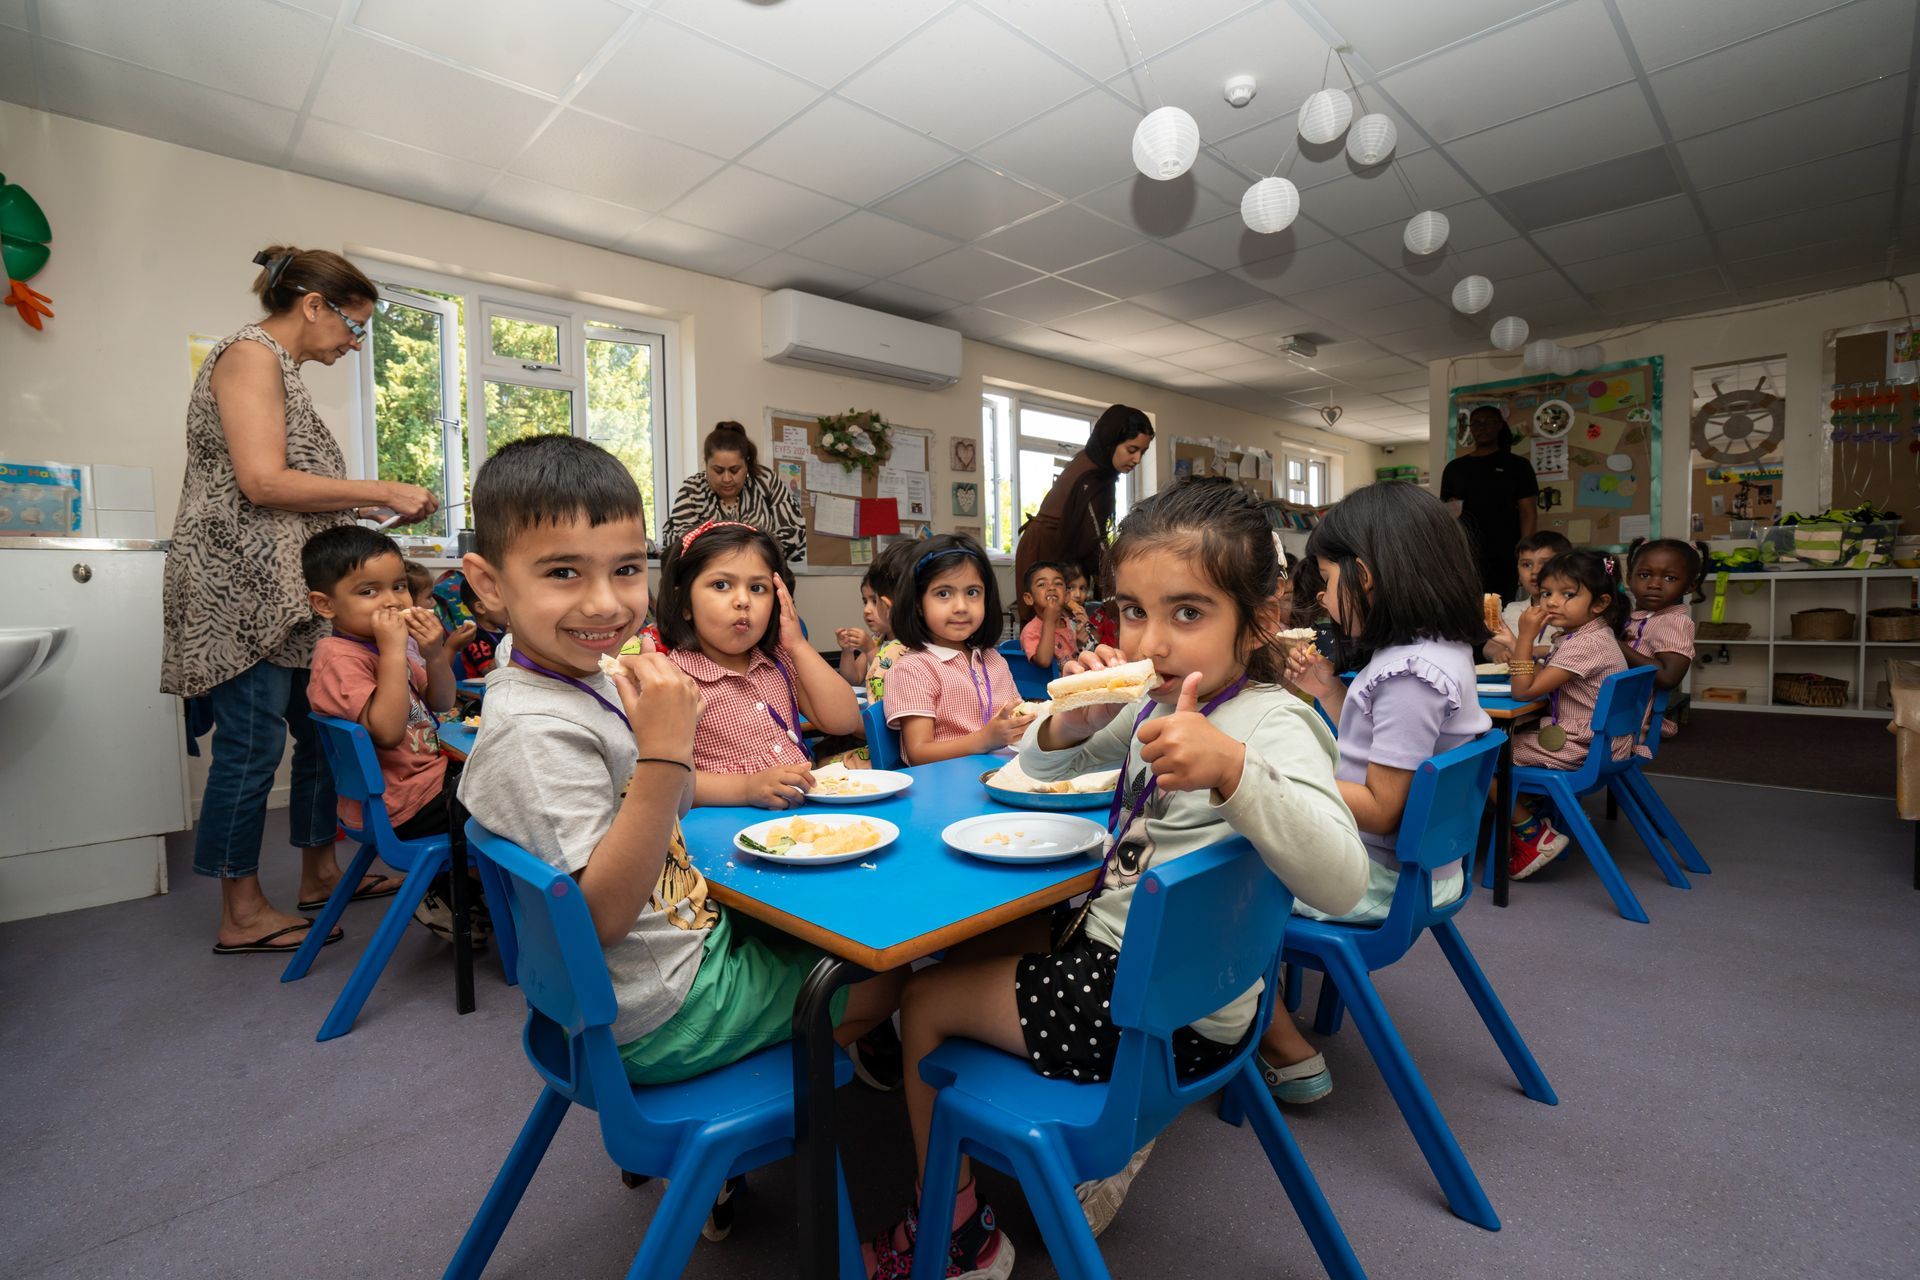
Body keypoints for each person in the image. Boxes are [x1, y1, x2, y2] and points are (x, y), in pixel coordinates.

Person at [862, 478, 1368, 1275]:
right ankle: (1039, 1153)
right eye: (1133, 611)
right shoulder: (1150, 703)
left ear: (1261, 617)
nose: (1149, 644)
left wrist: (1234, 770)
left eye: (1188, 613)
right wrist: (1074, 719)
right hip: (1180, 986)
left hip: (1151, 1011)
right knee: (975, 946)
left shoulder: (1274, 723)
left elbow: (1340, 881)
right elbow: (1034, 764)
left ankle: (959, 1238)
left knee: (922, 998)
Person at [455, 435, 903, 1101]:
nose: (605, 603)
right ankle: (771, 1102)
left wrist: (668, 760)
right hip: (666, 1010)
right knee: (892, 967)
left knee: (844, 926)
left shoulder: (581, 682)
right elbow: (599, 916)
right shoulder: (531, 731)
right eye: (563, 573)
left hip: (673, 955)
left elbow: (675, 799)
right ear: (489, 584)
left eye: (627, 569)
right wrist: (665, 751)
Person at [162, 245, 438, 955]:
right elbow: (263, 482)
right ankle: (241, 908)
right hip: (241, 590)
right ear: (313, 304)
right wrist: (379, 491)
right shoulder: (250, 355)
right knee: (251, 750)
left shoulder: (284, 371)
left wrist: (366, 524)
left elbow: (295, 499)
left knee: (320, 734)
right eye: (354, 325)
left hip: (289, 591)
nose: (354, 343)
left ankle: (320, 872)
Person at [1264, 483, 1491, 1103]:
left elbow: (1383, 805)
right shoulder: (1439, 652)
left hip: (1383, 883)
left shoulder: (1408, 676)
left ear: (1364, 576)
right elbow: (1386, 753)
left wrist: (1270, 782)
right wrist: (1329, 692)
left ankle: (1279, 1043)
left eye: (1328, 580)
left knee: (1224, 876)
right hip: (1427, 872)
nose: (1319, 596)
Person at [303, 526, 483, 945]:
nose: (392, 600)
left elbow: (439, 702)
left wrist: (436, 652)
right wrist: (394, 651)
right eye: (369, 592)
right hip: (405, 804)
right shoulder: (338, 659)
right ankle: (456, 894)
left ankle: (469, 892)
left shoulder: (389, 647)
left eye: (399, 586)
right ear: (324, 605)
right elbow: (385, 731)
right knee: (519, 795)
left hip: (425, 785)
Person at [656, 520, 861, 808]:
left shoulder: (778, 662)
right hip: (725, 827)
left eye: (758, 588)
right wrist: (745, 788)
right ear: (685, 603)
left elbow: (844, 720)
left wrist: (798, 646)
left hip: (804, 822)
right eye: (721, 585)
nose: (743, 600)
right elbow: (670, 781)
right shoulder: (672, 679)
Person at [1507, 550, 1632, 879]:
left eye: (1568, 594)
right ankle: (1533, 806)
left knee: (1482, 757)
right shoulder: (1592, 634)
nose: (1551, 602)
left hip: (1582, 747)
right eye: (1547, 593)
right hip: (1603, 744)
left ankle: (1533, 835)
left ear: (1600, 603)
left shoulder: (1585, 646)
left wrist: (1523, 636)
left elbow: (1522, 691)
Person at [883, 533, 1034, 765]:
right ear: (918, 604)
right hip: (946, 789)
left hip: (1002, 776)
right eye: (943, 594)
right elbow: (919, 753)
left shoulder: (993, 659)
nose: (961, 607)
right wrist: (984, 739)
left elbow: (1017, 719)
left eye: (972, 592)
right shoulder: (914, 668)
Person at [1012, 404, 1155, 618]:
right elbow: (1095, 542)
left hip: (1052, 552)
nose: (1137, 459)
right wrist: (1115, 590)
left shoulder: (1096, 467)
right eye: (1132, 450)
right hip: (1044, 552)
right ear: (1110, 442)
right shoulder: (1091, 479)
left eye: (1142, 452)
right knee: (1047, 630)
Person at [662, 421, 806, 564]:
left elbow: (793, 530)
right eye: (718, 470)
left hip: (764, 573)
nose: (726, 478)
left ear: (747, 464)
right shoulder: (693, 489)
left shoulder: (766, 481)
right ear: (706, 464)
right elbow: (682, 543)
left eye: (734, 470)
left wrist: (755, 558)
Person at [1440, 406, 1538, 601]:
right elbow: (1447, 515)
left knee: (1499, 610)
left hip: (1504, 553)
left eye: (1488, 422)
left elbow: (1528, 512)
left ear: (1499, 425)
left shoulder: (1517, 466)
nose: (1482, 427)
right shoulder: (1455, 469)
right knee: (1464, 608)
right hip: (1465, 554)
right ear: (1470, 428)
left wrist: (1525, 553)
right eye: (1476, 423)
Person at [1622, 538, 1704, 747]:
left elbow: (1668, 677)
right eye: (1645, 575)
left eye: (1670, 577)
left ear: (1690, 586)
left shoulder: (1674, 621)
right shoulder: (1635, 618)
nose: (1654, 584)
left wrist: (1615, 644)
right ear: (1629, 577)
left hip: (1625, 723)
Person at [836, 537, 920, 695]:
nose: (867, 609)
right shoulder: (877, 639)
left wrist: (870, 650)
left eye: (874, 601)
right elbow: (853, 678)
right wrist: (847, 652)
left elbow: (890, 682)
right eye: (864, 601)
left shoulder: (908, 646)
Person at [1484, 530, 1573, 663]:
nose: (1535, 572)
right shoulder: (1512, 609)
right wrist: (1498, 652)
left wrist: (1540, 651)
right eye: (1526, 565)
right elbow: (1490, 645)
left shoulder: (1572, 610)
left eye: (1545, 564)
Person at [1018, 561, 1078, 666]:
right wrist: (1049, 621)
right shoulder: (1031, 631)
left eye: (1058, 583)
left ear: (1067, 596)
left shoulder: (1071, 624)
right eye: (1042, 584)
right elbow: (1044, 662)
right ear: (1029, 598)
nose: (1051, 587)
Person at [1064, 564, 1100, 653]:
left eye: (1082, 588)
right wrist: (1077, 644)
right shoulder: (1058, 622)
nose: (1078, 595)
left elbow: (1097, 645)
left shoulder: (1084, 617)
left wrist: (1088, 624)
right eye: (1070, 588)